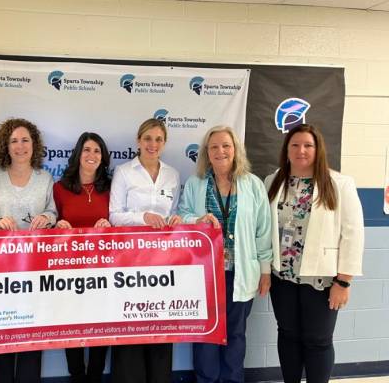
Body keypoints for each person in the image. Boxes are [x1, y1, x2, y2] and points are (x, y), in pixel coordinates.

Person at [265, 124, 364, 383]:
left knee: (318, 341)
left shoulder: (339, 183)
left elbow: (353, 235)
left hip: (322, 280)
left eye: (308, 145)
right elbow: (264, 229)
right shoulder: (273, 181)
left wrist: (343, 281)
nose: (301, 150)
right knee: (287, 334)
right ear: (287, 149)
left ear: (318, 149)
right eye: (295, 145)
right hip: (282, 277)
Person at [178, 125, 272, 383]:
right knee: (206, 333)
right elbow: (182, 216)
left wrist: (265, 270)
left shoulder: (252, 185)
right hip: (205, 274)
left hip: (240, 272)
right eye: (214, 147)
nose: (221, 151)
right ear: (207, 153)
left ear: (236, 150)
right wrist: (198, 219)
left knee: (235, 334)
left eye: (226, 146)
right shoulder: (197, 184)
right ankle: (206, 380)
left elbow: (263, 230)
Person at [0, 118, 57, 383]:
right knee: (1, 333)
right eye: (14, 141)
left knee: (33, 335)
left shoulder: (45, 178)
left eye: (25, 140)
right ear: (5, 147)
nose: (20, 146)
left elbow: (53, 211)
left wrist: (47, 218)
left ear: (34, 144)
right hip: (0, 269)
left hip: (35, 268)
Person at [109, 118, 182, 383]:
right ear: (138, 141)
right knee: (131, 321)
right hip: (130, 260)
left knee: (160, 321)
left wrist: (176, 220)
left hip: (163, 261)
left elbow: (174, 212)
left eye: (158, 139)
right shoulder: (124, 172)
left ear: (164, 143)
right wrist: (143, 217)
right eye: (148, 139)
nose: (153, 144)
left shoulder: (173, 174)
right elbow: (114, 216)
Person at [53, 132, 112, 383]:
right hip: (69, 270)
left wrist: (109, 224)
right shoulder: (59, 188)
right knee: (72, 325)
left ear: (103, 157)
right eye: (87, 150)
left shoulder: (111, 187)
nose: (92, 155)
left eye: (97, 151)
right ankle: (77, 376)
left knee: (100, 325)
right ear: (78, 154)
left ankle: (95, 377)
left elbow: (120, 221)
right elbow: (49, 225)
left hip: (103, 269)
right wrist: (58, 225)